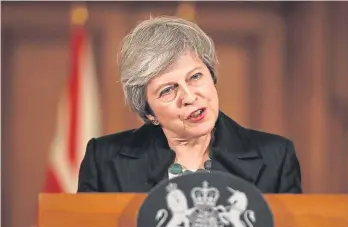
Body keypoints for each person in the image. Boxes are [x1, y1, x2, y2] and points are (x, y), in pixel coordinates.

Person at [77, 16, 302, 194]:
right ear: (149, 112)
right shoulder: (105, 160)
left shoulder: (276, 157)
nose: (188, 96)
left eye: (195, 77)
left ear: (211, 76)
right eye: (167, 90)